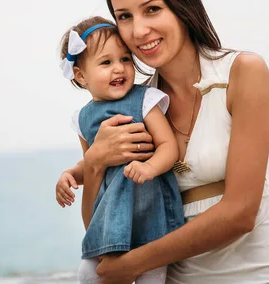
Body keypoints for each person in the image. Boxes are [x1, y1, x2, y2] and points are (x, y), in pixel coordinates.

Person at [55, 0, 269, 284]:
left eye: (152, 9)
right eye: (125, 16)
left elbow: (241, 213)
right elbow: (103, 222)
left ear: (182, 5)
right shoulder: (132, 106)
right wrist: (96, 163)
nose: (139, 30)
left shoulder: (242, 73)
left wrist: (135, 262)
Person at [58, 16, 185, 283]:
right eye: (106, 62)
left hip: (148, 209)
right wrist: (71, 174)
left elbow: (168, 146)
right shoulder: (82, 119)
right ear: (81, 76)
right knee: (88, 274)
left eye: (125, 59)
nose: (120, 69)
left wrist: (149, 167)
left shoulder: (144, 99)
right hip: (109, 216)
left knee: (152, 275)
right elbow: (91, 164)